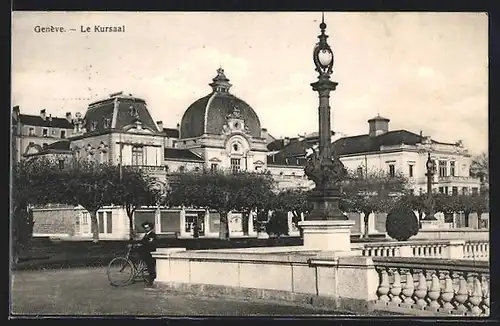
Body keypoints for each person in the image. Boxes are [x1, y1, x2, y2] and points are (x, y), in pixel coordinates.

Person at [137, 221, 157, 286]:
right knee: (149, 267)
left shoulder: (152, 235)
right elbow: (143, 242)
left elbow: (150, 243)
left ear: (150, 228)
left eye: (147, 227)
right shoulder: (146, 235)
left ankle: (151, 281)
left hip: (150, 253)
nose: (146, 229)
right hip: (146, 253)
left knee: (151, 267)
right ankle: (151, 278)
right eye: (145, 228)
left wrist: (143, 244)